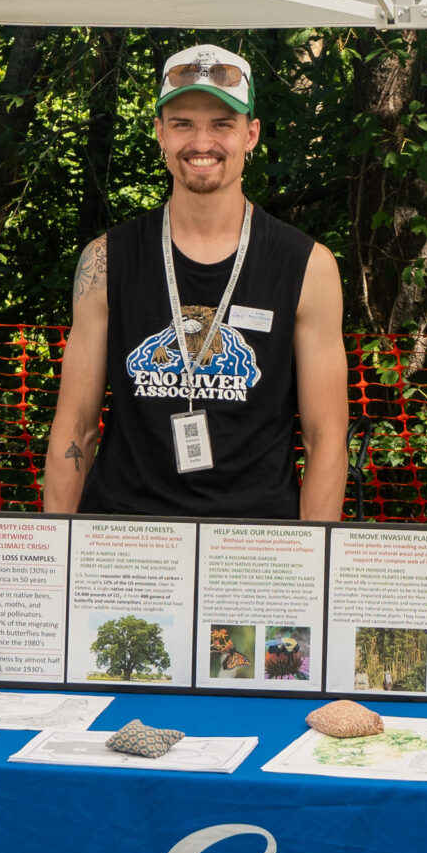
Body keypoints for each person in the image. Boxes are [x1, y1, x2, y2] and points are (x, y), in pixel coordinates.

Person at [43, 43, 350, 521]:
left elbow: (326, 437)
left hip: (253, 546)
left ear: (250, 135)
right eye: (183, 123)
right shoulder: (105, 261)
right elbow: (76, 428)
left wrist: (313, 563)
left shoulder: (307, 265)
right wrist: (54, 554)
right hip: (126, 540)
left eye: (222, 124)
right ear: (160, 133)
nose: (201, 142)